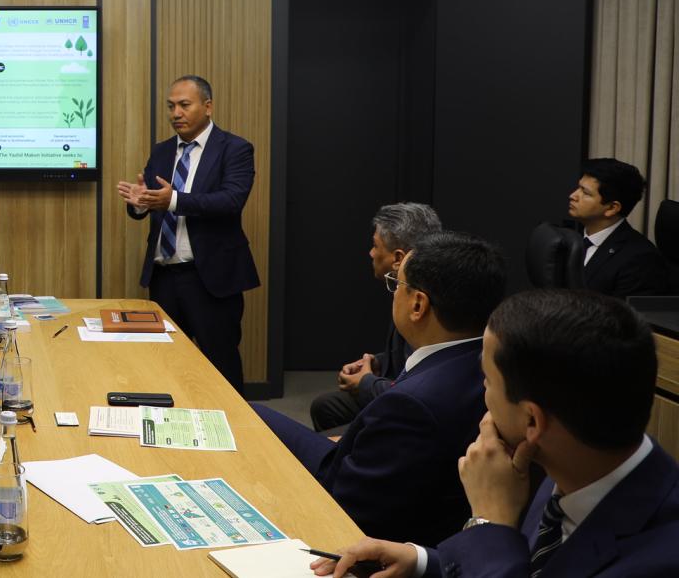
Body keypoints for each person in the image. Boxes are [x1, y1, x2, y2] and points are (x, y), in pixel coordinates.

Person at [314, 290, 679, 578]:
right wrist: (422, 561)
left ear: (533, 423)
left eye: (486, 380)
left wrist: (488, 522)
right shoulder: (568, 466)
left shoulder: (660, 558)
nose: (481, 393)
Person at [251, 232, 506, 546]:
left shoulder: (410, 404)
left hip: (363, 524)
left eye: (396, 284)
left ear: (417, 304)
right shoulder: (493, 364)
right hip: (424, 506)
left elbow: (344, 501)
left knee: (250, 417)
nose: (392, 294)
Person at [117, 75, 259, 390]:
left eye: (184, 105)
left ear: (207, 107)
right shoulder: (163, 151)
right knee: (165, 365)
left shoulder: (234, 148)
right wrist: (141, 203)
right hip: (164, 276)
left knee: (220, 365)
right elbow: (153, 200)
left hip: (211, 278)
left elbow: (232, 200)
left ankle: (234, 431)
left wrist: (174, 200)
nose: (175, 113)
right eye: (171, 107)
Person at [310, 202, 442, 432]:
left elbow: (412, 391)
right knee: (325, 407)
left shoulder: (424, 308)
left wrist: (366, 383)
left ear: (398, 258)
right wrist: (377, 362)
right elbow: (405, 357)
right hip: (392, 387)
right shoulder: (405, 289)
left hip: (408, 412)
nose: (371, 253)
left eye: (375, 245)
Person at [568, 158, 669, 297]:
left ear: (611, 208)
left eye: (585, 193)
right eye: (578, 188)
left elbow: (624, 317)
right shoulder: (571, 239)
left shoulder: (640, 260)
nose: (573, 196)